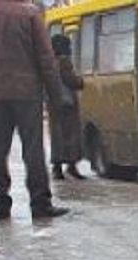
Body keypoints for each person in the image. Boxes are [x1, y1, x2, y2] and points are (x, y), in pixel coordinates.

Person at [0, 0, 69, 220]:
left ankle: (0, 203)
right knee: (33, 149)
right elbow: (45, 56)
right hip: (27, 91)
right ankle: (40, 203)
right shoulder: (29, 13)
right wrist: (56, 93)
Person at [48, 34, 86, 181]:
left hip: (53, 103)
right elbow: (71, 80)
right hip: (67, 103)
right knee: (71, 135)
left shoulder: (49, 62)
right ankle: (71, 166)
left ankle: (57, 167)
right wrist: (80, 81)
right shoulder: (64, 62)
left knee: (57, 136)